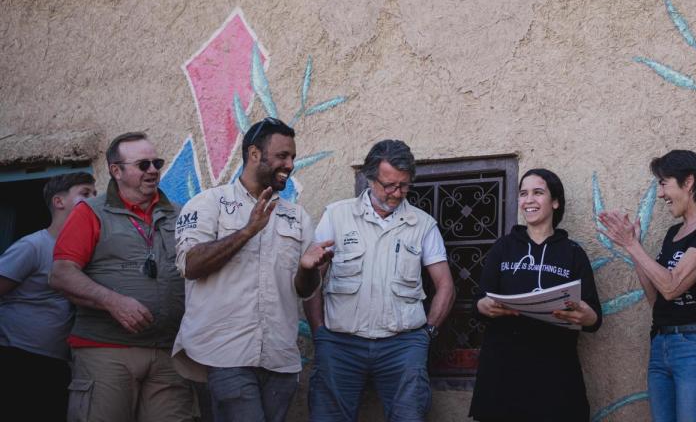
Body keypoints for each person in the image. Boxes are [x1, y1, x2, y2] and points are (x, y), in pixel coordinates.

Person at [173, 117, 334, 422]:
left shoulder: (296, 217)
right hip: (225, 355)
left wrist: (308, 269)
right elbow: (190, 265)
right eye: (282, 156)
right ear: (254, 154)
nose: (289, 164)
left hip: (279, 358)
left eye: (293, 157)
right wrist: (248, 231)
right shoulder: (208, 204)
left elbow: (303, 289)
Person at [305, 139, 455, 422]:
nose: (397, 193)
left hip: (402, 346)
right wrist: (320, 334)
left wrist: (427, 335)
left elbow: (445, 286)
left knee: (408, 417)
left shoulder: (423, 225)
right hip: (340, 344)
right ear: (369, 178)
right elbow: (313, 280)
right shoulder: (336, 216)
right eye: (389, 185)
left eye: (404, 185)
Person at [50, 132, 192, 422]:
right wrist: (112, 301)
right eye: (143, 164)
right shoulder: (90, 212)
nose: (153, 170)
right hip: (105, 351)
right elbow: (61, 274)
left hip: (168, 352)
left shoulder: (181, 214)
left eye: (156, 163)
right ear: (116, 171)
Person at [599, 150, 696, 422]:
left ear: (689, 182)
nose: (661, 194)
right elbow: (658, 298)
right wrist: (635, 251)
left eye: (664, 183)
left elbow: (672, 287)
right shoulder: (674, 233)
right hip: (662, 344)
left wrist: (631, 244)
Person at [469, 168, 602, 422]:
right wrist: (486, 305)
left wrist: (585, 315)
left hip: (555, 374)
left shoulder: (573, 253)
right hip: (503, 371)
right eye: (523, 193)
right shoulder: (503, 247)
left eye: (538, 193)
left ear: (555, 202)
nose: (528, 200)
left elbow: (595, 319)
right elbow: (478, 303)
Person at [0, 172, 96, 421]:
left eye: (95, 195)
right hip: (17, 361)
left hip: (56, 364)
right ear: (59, 202)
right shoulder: (32, 246)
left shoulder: (88, 252)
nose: (94, 200)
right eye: (85, 194)